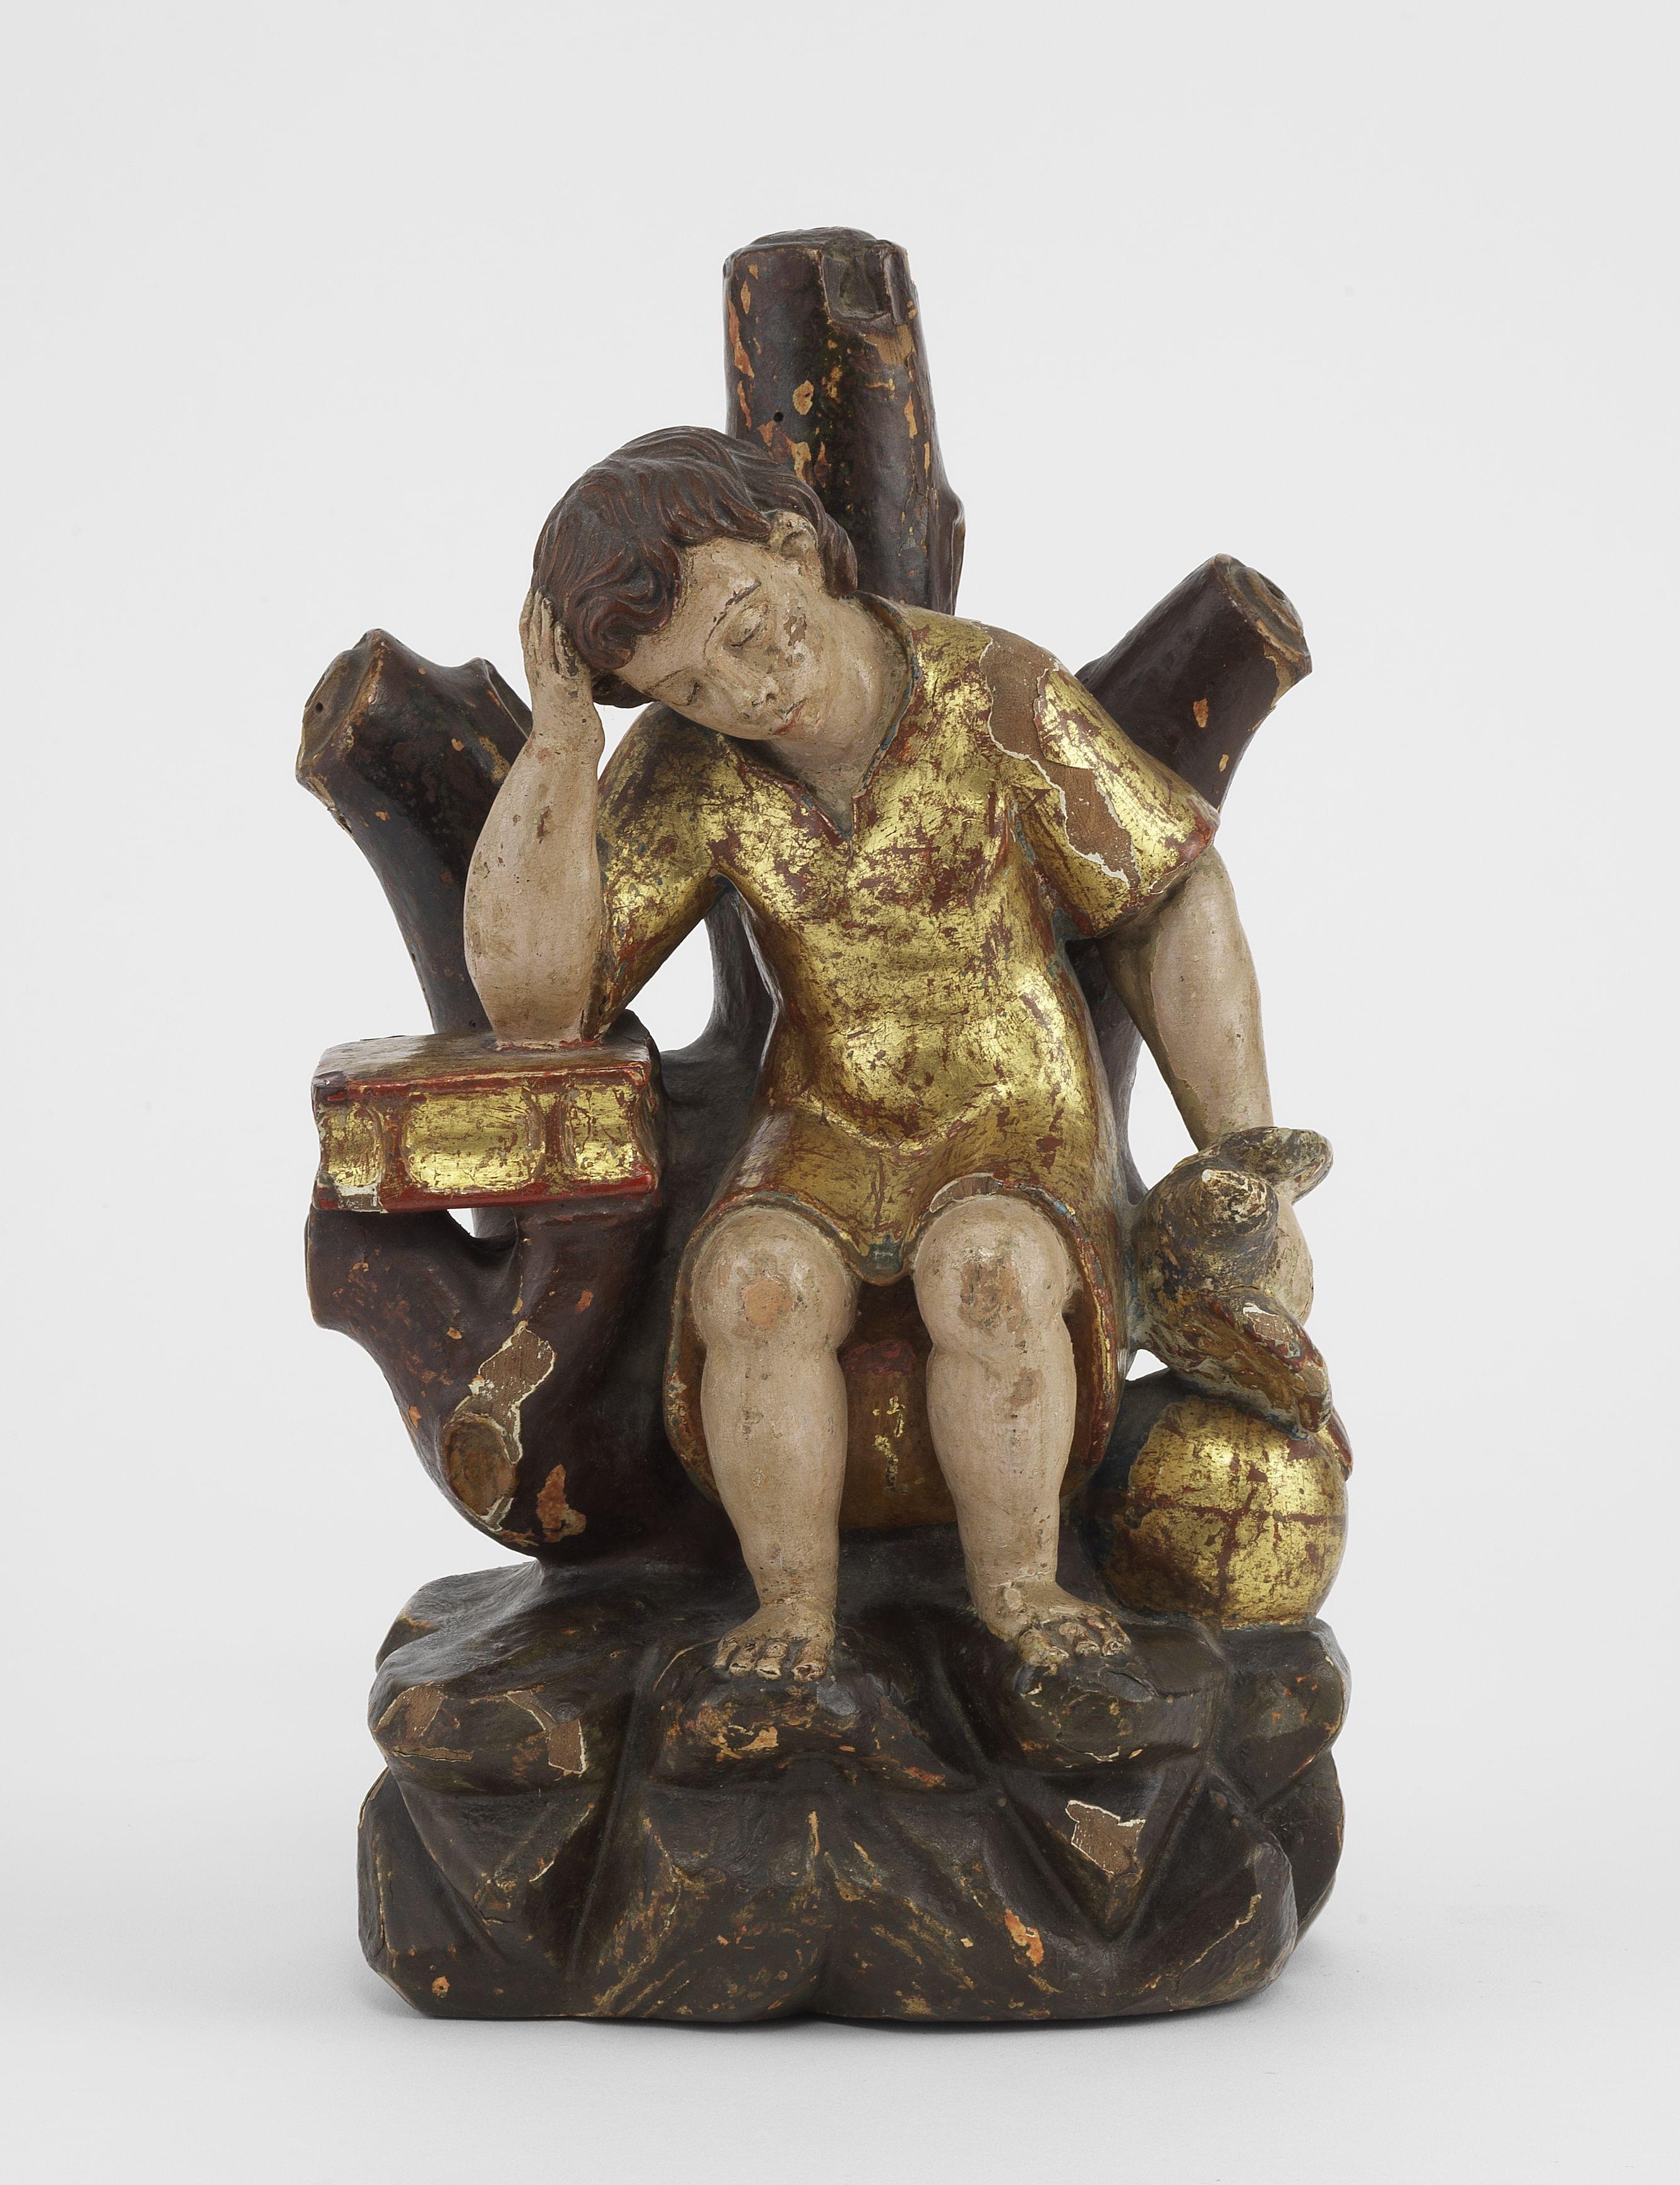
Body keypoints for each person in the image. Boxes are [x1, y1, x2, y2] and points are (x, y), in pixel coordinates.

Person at [465, 428, 1290, 1685]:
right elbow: (540, 1000)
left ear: (797, 547)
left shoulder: (991, 691)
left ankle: (1020, 1589)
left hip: (1013, 1105)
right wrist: (562, 748)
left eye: (747, 629)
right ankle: (792, 1610)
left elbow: (1166, 893)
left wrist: (1242, 1150)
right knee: (752, 1285)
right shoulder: (695, 766)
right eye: (690, 686)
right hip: (828, 1117)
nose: (743, 693)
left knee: (992, 1272)